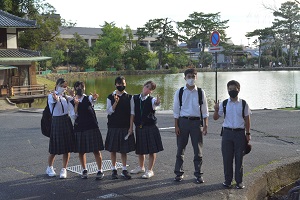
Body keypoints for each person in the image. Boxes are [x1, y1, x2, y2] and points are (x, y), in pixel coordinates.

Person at [213, 80, 251, 189]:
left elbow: (247, 119)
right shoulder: (224, 103)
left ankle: (239, 181)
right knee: (227, 158)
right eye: (230, 89)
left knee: (239, 158)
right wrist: (215, 110)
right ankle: (227, 181)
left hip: (240, 133)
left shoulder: (243, 103)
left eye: (234, 89)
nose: (232, 91)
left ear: (238, 89)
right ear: (227, 90)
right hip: (227, 133)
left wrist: (248, 133)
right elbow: (215, 118)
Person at [173, 68, 209, 183]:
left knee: (198, 150)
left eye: (193, 76)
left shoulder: (200, 92)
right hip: (183, 122)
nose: (191, 79)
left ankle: (198, 174)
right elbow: (176, 111)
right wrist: (176, 126)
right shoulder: (180, 92)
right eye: (189, 76)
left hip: (196, 123)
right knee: (180, 149)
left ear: (196, 77)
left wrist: (206, 125)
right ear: (185, 78)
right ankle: (179, 173)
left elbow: (205, 110)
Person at [129, 81, 163, 179]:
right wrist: (131, 127)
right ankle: (141, 167)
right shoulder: (134, 98)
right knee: (140, 149)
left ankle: (150, 170)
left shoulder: (152, 100)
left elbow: (155, 104)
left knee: (152, 149)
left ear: (151, 91)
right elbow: (132, 113)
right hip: (139, 126)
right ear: (143, 86)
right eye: (147, 86)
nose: (147, 89)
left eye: (150, 89)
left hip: (151, 126)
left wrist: (157, 102)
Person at [71, 81, 105, 180]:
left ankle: (100, 170)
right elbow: (74, 116)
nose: (80, 88)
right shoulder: (72, 100)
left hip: (91, 127)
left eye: (82, 87)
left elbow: (93, 100)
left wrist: (94, 98)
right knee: (81, 151)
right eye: (77, 87)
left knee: (96, 150)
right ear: (75, 88)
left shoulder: (88, 98)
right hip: (79, 127)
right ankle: (84, 170)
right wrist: (76, 105)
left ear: (84, 88)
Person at [105, 76, 135, 180]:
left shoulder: (129, 97)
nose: (121, 85)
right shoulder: (110, 97)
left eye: (122, 83)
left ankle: (124, 169)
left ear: (125, 84)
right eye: (119, 84)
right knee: (113, 149)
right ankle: (113, 169)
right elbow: (108, 112)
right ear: (115, 85)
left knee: (124, 150)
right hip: (113, 126)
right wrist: (115, 103)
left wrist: (131, 127)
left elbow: (132, 113)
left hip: (125, 126)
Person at [46, 78, 75, 179]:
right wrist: (55, 97)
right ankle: (49, 167)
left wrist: (73, 95)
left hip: (66, 120)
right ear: (57, 85)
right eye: (62, 85)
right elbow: (54, 100)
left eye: (65, 86)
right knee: (54, 147)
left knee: (67, 147)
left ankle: (64, 169)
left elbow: (77, 101)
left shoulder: (66, 97)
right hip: (56, 121)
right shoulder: (51, 96)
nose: (64, 88)